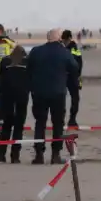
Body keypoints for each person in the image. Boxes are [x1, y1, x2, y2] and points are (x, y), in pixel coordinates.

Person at [26, 29, 79, 165]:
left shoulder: (36, 51)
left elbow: (28, 68)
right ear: (60, 38)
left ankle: (39, 154)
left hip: (39, 92)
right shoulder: (64, 52)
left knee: (40, 123)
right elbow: (74, 68)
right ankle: (55, 154)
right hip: (58, 92)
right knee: (58, 124)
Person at [0, 45, 31, 164]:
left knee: (6, 126)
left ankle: (1, 154)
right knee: (18, 127)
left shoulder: (5, 61)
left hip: (7, 96)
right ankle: (15, 155)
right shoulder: (27, 62)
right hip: (22, 96)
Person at [61, 29, 83, 128]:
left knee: (75, 99)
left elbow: (79, 65)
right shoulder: (63, 49)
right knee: (61, 98)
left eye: (65, 40)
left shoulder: (74, 50)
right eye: (63, 41)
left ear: (69, 38)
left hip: (72, 77)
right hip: (64, 77)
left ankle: (72, 119)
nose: (64, 42)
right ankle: (62, 119)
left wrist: (78, 77)